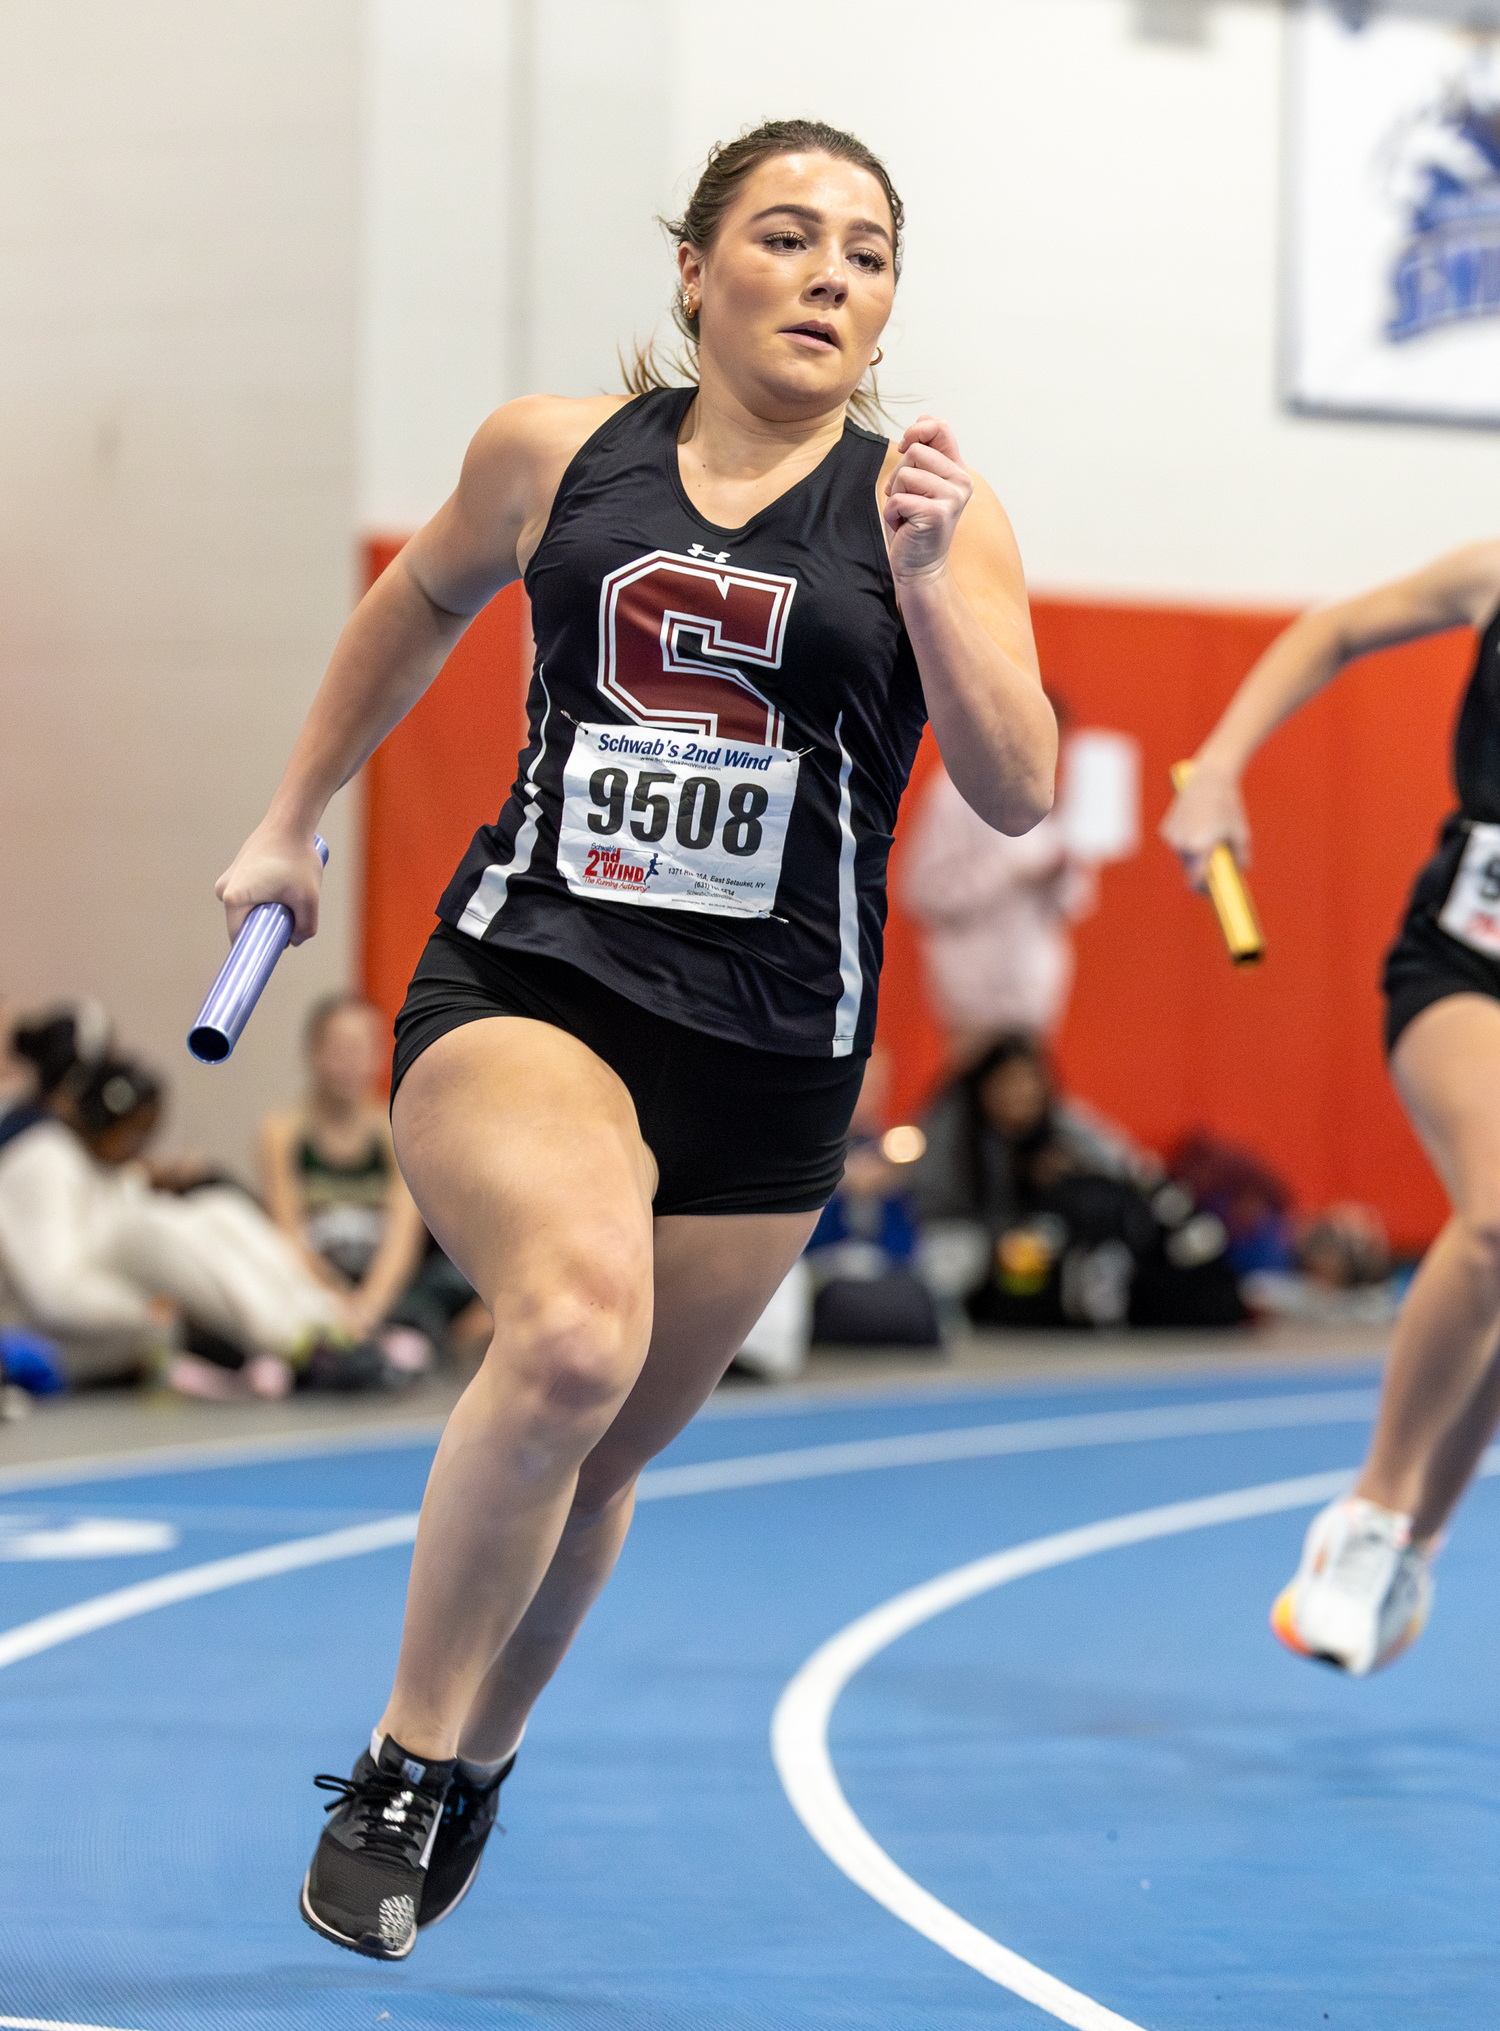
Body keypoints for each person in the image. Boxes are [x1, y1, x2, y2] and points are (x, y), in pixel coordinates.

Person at [215, 117, 1055, 1959]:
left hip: (770, 1055)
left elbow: (1017, 783)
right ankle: (399, 1760)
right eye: (786, 234)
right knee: (573, 1329)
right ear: (695, 271)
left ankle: (477, 1759)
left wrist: (925, 579)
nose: (832, 272)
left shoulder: (932, 505)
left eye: (868, 250)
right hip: (535, 983)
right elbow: (417, 599)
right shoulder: (551, 454)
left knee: (598, 1458)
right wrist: (294, 812)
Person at [1162, 538, 1500, 1675]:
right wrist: (1217, 767)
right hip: (1466, 964)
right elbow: (1335, 628)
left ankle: (1414, 1539)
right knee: (1498, 1218)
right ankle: (1367, 1513)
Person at [0, 1019, 358, 1393]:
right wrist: (147, 1312)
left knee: (217, 1209)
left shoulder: (106, 1163)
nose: (140, 1144)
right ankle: (297, 1343)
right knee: (155, 1228)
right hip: (51, 1344)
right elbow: (54, 1296)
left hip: (126, 1326)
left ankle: (327, 1322)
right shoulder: (42, 1158)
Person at [259, 994, 482, 1366]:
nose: (349, 1064)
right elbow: (288, 1236)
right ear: (312, 1054)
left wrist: (368, 1308)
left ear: (379, 1056)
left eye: (361, 1050)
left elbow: (401, 1241)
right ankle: (360, 1343)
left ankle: (388, 1337)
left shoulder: (394, 1130)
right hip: (313, 1280)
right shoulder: (282, 1132)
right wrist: (334, 1301)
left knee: (458, 1279)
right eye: (338, 1050)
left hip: (384, 1284)